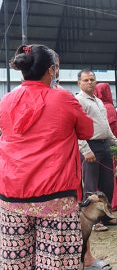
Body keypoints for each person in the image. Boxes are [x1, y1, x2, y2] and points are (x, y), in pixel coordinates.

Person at [0, 44, 94, 269]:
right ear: (51, 70)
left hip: (12, 194)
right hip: (55, 194)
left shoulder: (6, 100)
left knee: (16, 262)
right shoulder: (63, 99)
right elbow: (87, 131)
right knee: (55, 262)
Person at [76, 69, 117, 230]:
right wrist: (85, 150)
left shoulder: (98, 101)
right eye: (86, 80)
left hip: (105, 145)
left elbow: (106, 127)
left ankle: (106, 217)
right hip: (91, 146)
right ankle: (93, 221)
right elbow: (76, 129)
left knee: (107, 184)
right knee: (91, 185)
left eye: (92, 79)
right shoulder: (79, 101)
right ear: (79, 83)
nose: (89, 82)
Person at [95, 83, 117, 212]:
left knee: (97, 178)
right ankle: (113, 202)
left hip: (94, 148)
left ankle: (99, 206)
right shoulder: (109, 108)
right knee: (111, 175)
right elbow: (115, 128)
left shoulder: (95, 105)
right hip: (110, 147)